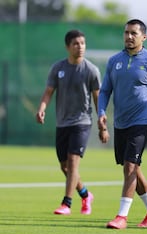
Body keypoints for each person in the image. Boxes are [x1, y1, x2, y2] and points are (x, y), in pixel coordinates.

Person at [97, 19, 147, 230]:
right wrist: (101, 112)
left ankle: (121, 217)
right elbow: (105, 90)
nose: (129, 37)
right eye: (126, 33)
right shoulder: (114, 60)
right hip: (120, 123)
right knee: (130, 166)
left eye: (134, 33)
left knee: (130, 166)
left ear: (144, 37)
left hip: (142, 121)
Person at [36, 29, 100, 215]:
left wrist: (102, 123)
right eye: (76, 44)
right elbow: (48, 92)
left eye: (82, 43)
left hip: (82, 122)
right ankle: (86, 194)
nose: (80, 47)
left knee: (73, 163)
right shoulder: (58, 68)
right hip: (62, 123)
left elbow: (98, 99)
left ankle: (67, 203)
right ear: (68, 47)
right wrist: (42, 108)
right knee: (65, 167)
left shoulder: (91, 70)